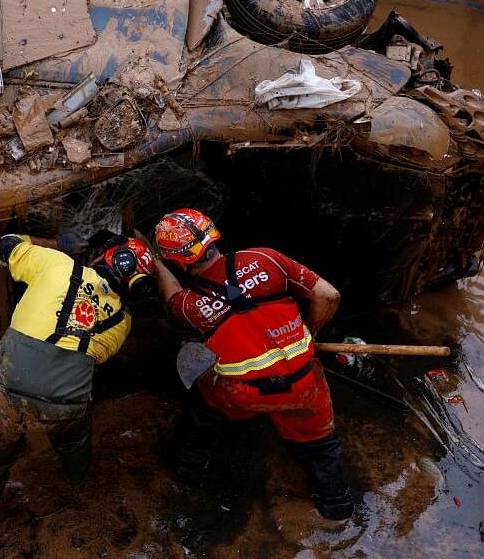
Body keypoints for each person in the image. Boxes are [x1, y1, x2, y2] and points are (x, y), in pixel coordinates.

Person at [150, 208, 353, 521]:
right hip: (304, 381)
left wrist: (157, 264)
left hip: (243, 394)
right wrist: (309, 334)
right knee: (320, 447)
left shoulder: (190, 308)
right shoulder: (267, 258)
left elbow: (171, 294)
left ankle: (185, 472)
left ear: (179, 260)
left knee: (203, 408)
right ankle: (337, 507)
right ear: (213, 235)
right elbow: (329, 295)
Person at [0, 232, 154, 540]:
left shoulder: (58, 264)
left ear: (106, 256)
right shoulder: (122, 320)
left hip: (7, 388)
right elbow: (97, 356)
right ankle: (79, 479)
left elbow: (4, 245)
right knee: (74, 438)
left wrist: (55, 244)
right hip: (65, 403)